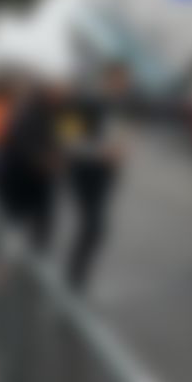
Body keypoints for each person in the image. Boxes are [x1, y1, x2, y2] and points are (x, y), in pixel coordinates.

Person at [60, 65, 130, 292]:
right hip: (85, 173)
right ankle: (74, 278)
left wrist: (120, 150)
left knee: (95, 227)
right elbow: (68, 139)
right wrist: (100, 152)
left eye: (124, 82)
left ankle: (77, 275)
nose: (122, 86)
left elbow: (114, 135)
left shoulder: (116, 105)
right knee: (94, 226)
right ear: (106, 80)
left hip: (104, 175)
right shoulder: (84, 103)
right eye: (117, 81)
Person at [0, 76, 65, 252]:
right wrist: (42, 159)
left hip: (41, 180)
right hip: (20, 177)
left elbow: (66, 136)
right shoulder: (28, 111)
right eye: (58, 88)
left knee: (43, 224)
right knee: (12, 221)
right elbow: (20, 141)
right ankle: (1, 263)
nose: (62, 92)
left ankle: (32, 258)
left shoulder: (57, 111)